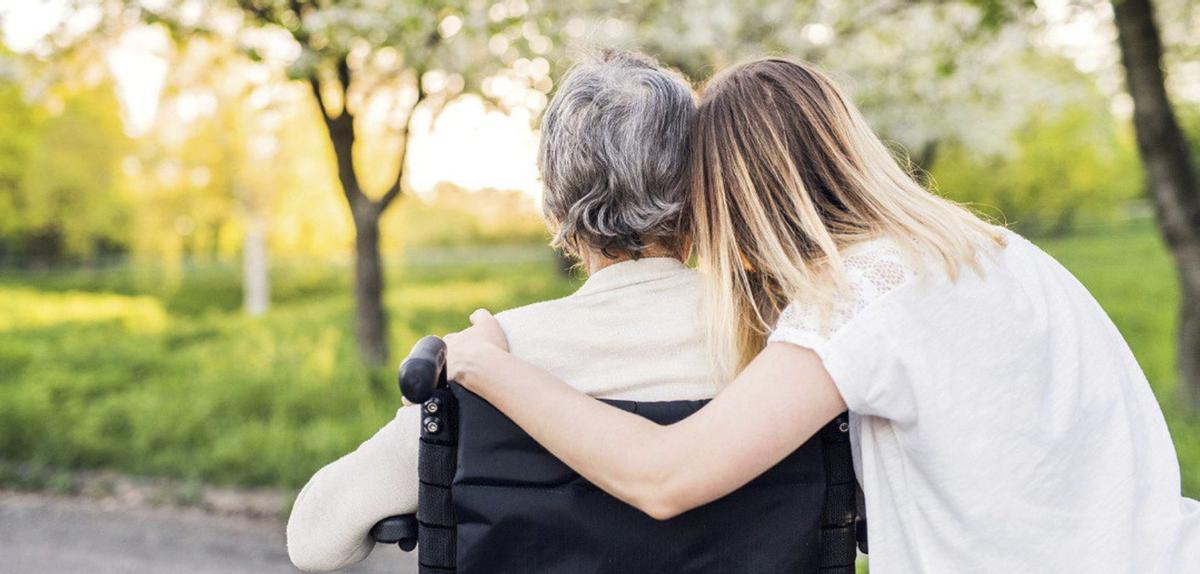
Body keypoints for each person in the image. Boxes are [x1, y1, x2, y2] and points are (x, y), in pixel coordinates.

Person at [445, 57, 1200, 573]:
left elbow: (664, 477)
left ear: (741, 200)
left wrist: (490, 366)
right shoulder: (994, 249)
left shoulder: (861, 297)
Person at [285, 51, 726, 572]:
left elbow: (314, 541)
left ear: (555, 206)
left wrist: (423, 414)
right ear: (701, 192)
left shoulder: (489, 358)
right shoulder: (784, 353)